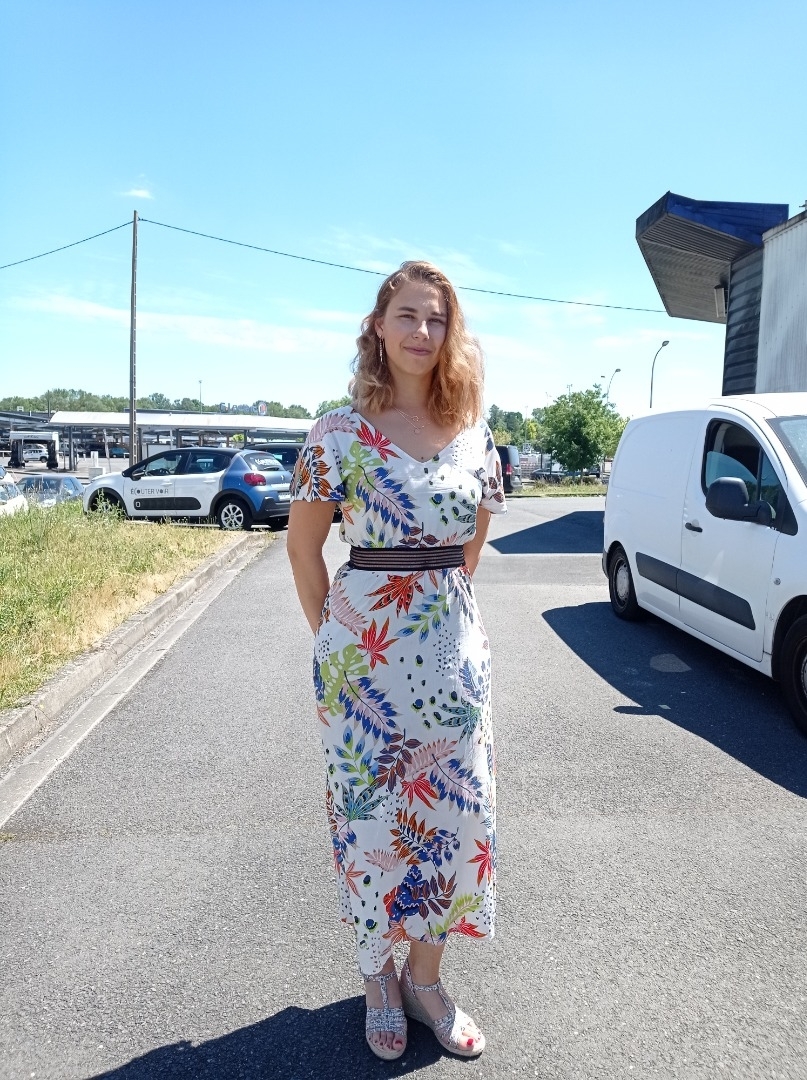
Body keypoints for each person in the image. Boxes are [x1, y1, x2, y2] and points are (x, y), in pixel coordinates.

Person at [287, 261, 506, 1060]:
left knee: (452, 820)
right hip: (362, 667)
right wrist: (335, 644)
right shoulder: (335, 433)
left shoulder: (476, 434)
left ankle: (425, 979)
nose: (421, 331)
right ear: (377, 327)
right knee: (372, 822)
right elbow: (303, 549)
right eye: (407, 315)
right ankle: (377, 976)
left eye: (437, 318)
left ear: (452, 333)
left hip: (451, 668)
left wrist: (438, 627)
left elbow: (467, 552)